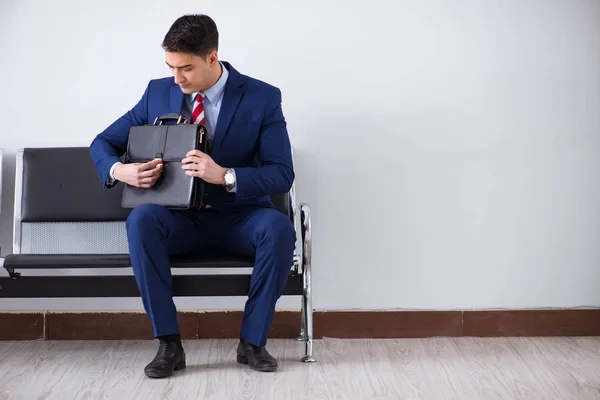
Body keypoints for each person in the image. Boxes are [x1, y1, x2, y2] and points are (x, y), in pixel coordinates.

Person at [89, 14, 296, 378]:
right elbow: (102, 142)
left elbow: (282, 174)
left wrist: (226, 175)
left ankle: (252, 342)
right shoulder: (157, 92)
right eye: (170, 66)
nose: (176, 78)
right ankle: (168, 344)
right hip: (179, 219)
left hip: (240, 217)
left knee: (279, 229)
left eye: (185, 68)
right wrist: (120, 171)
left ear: (212, 58)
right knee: (141, 220)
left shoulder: (262, 97)